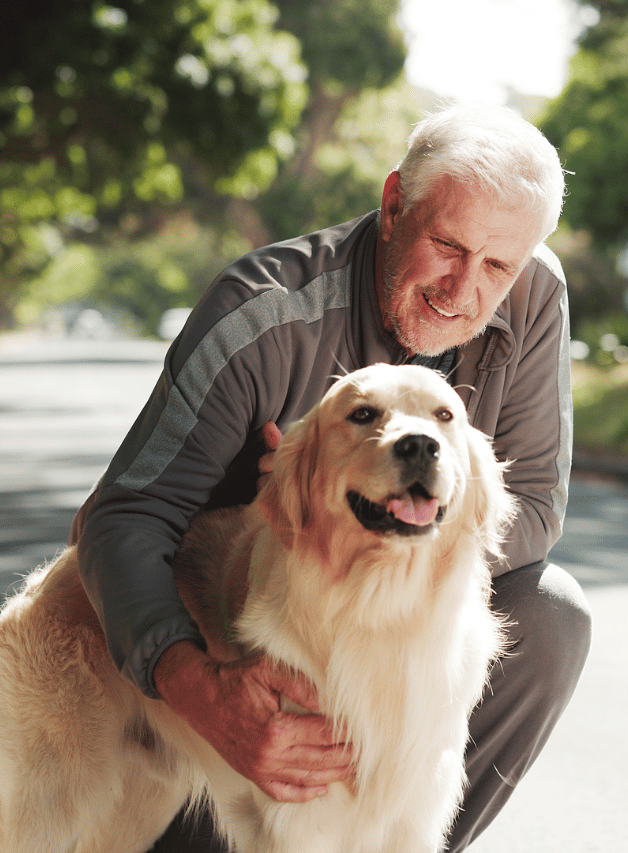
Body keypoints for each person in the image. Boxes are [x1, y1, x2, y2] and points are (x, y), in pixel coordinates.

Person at [70, 103, 592, 851]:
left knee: (550, 614)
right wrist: (199, 688)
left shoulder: (536, 288)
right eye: (446, 243)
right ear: (392, 207)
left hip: (387, 645)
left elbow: (534, 501)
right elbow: (122, 517)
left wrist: (398, 545)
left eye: (498, 266)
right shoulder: (260, 315)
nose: (462, 286)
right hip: (232, 634)